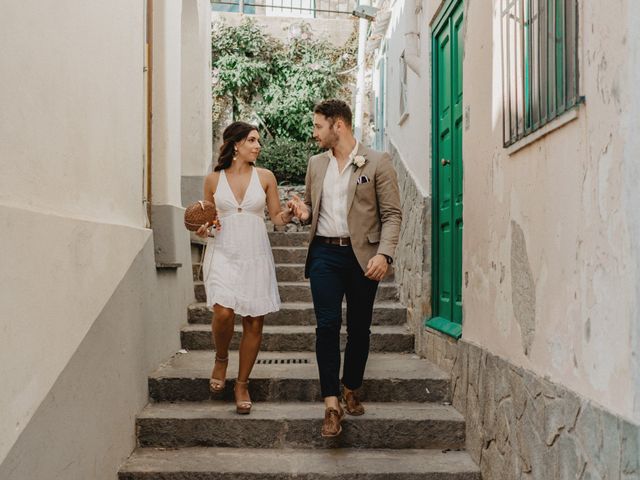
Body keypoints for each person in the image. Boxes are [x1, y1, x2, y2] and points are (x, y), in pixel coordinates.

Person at [288, 100, 402, 437]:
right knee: (326, 325)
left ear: (338, 125)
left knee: (360, 328)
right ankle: (331, 405)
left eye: (318, 126)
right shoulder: (315, 164)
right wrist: (303, 212)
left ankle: (351, 385)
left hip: (362, 257)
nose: (314, 133)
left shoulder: (377, 161)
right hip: (324, 253)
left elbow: (393, 214)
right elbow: (310, 207)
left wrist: (385, 255)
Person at [196, 121, 293, 414]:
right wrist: (203, 228)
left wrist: (290, 213)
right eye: (252, 140)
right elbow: (210, 220)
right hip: (223, 251)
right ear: (236, 144)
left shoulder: (266, 177)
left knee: (253, 321)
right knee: (223, 311)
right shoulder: (213, 180)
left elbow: (276, 218)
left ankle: (241, 383)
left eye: (258, 140)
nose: (258, 146)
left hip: (254, 253)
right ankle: (222, 357)